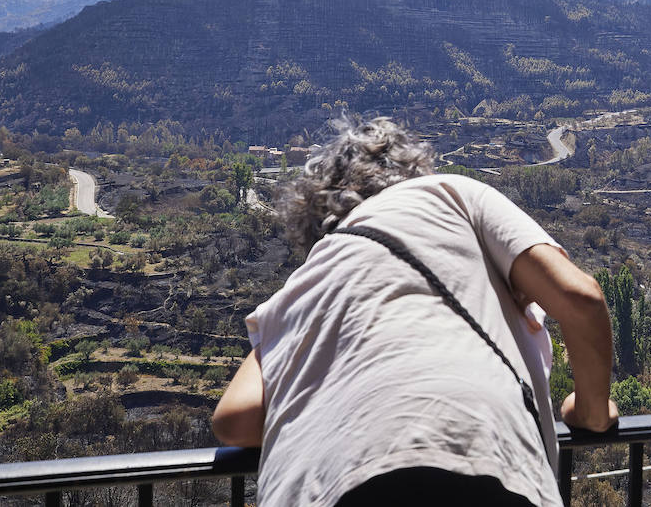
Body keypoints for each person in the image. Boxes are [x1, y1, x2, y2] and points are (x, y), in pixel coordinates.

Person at [213, 116, 617, 507]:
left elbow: (236, 421)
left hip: (320, 488)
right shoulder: (450, 193)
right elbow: (579, 298)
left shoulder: (303, 282)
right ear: (411, 169)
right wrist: (590, 412)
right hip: (475, 461)